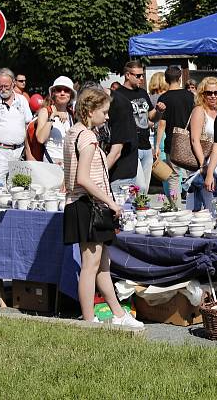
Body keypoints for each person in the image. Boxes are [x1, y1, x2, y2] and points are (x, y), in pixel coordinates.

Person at [63, 88, 144, 329]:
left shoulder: (73, 132)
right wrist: (110, 202)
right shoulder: (86, 137)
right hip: (89, 207)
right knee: (90, 266)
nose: (107, 117)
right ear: (90, 111)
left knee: (103, 264)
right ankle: (89, 320)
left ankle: (118, 313)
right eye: (104, 112)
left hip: (89, 206)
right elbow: (84, 178)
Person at [112, 61, 155, 192]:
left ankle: (141, 211)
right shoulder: (118, 95)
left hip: (146, 145)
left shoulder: (142, 93)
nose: (141, 78)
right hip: (130, 147)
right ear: (127, 75)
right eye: (138, 76)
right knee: (139, 186)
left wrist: (159, 111)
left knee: (144, 189)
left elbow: (151, 118)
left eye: (142, 75)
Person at [186, 77, 217, 211]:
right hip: (204, 161)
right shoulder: (199, 110)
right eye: (209, 93)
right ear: (202, 94)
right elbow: (194, 140)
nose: (213, 96)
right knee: (206, 206)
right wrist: (203, 165)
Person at [155, 66, 195, 200]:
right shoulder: (190, 96)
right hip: (190, 141)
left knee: (173, 177)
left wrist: (157, 146)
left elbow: (161, 124)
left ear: (166, 79)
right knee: (192, 175)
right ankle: (194, 205)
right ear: (180, 78)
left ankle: (176, 206)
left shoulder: (164, 98)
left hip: (171, 142)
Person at [34, 76, 75, 165]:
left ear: (70, 94)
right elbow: (41, 139)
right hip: (50, 162)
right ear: (53, 93)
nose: (62, 93)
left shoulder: (72, 114)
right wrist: (53, 116)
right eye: (59, 90)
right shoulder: (46, 111)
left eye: (66, 90)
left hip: (69, 163)